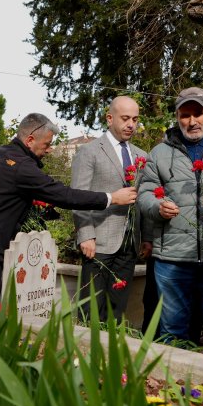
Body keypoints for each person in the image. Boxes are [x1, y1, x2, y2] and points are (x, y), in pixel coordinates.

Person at [0, 113, 137, 304]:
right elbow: (65, 195)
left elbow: (0, 199)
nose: (49, 150)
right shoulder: (22, 167)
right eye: (47, 144)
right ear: (30, 140)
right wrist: (112, 197)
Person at [137, 87, 203, 358]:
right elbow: (145, 193)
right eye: (185, 115)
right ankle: (171, 391)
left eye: (198, 113)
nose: (192, 121)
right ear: (177, 117)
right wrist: (157, 206)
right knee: (172, 331)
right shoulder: (159, 153)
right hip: (171, 259)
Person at [70, 96, 147, 321]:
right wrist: (85, 235)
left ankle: (110, 352)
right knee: (90, 309)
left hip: (130, 243)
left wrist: (145, 238)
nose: (131, 124)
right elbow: (79, 197)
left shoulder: (141, 156)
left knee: (116, 309)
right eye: (125, 118)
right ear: (110, 118)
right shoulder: (90, 152)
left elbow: (144, 198)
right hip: (99, 242)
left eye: (135, 119)